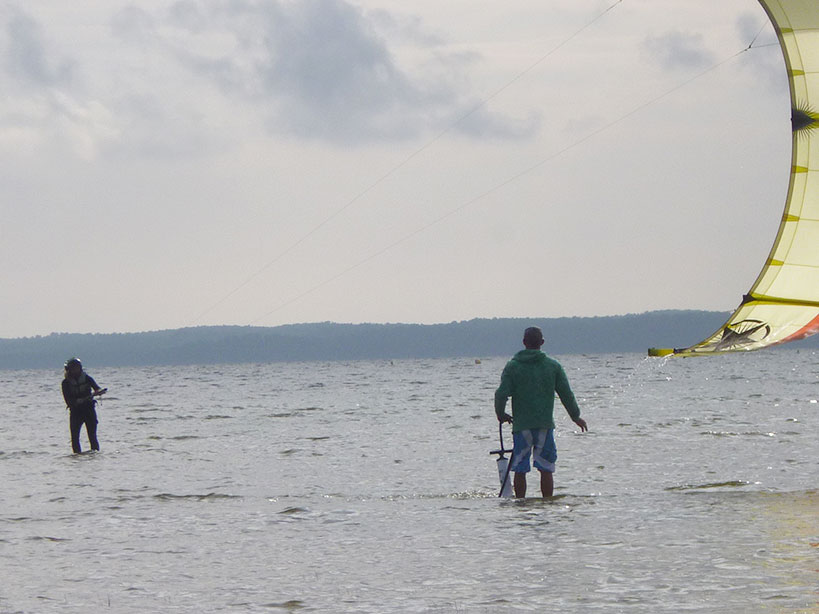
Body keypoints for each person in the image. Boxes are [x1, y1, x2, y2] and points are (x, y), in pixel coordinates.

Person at [494, 327, 587, 498]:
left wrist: (500, 413)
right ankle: (548, 503)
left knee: (520, 468)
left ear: (524, 343)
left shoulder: (513, 367)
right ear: (542, 343)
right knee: (546, 468)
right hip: (544, 425)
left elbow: (501, 394)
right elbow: (566, 393)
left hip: (522, 427)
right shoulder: (552, 366)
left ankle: (520, 505)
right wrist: (576, 416)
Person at [61, 357, 106, 454]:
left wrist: (99, 392)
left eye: (77, 368)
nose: (76, 370)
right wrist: (77, 401)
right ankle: (77, 456)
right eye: (73, 368)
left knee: (92, 436)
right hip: (76, 412)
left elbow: (96, 388)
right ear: (68, 370)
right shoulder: (65, 383)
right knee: (75, 437)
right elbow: (68, 400)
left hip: (89, 410)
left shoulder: (87, 378)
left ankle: (94, 455)